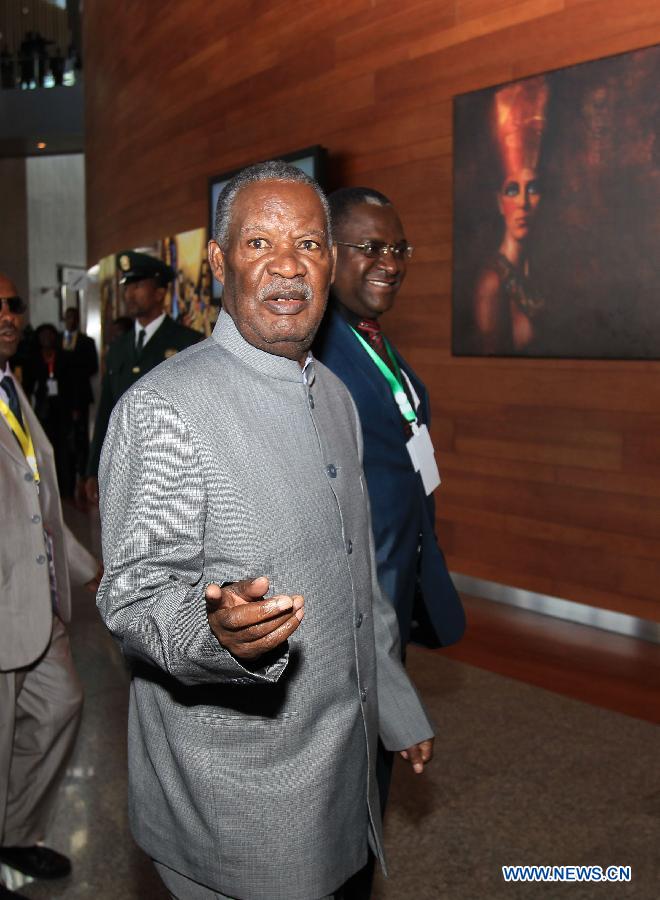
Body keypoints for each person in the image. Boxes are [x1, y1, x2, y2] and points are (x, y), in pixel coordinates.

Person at [96, 161, 435, 900]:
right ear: (218, 265)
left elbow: (359, 576)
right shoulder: (165, 409)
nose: (287, 264)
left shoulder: (338, 398)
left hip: (344, 776)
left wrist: (397, 709)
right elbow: (135, 595)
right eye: (258, 244)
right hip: (239, 804)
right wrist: (213, 631)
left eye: (309, 244)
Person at [315, 187, 465, 654]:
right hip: (353, 591)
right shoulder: (314, 354)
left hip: (398, 569)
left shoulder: (368, 336)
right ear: (328, 254)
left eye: (399, 249)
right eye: (372, 248)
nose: (392, 263)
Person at [0, 276, 101, 900]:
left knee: (61, 705)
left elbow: (38, 502)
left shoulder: (12, 388)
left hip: (36, 603)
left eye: (11, 304)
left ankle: (13, 833)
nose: (8, 316)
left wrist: (94, 571)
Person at [85, 251, 202, 504]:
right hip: (124, 471)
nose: (129, 294)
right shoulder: (118, 348)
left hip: (172, 472)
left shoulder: (187, 343)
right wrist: (93, 468)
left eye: (138, 286)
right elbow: (106, 409)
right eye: (127, 287)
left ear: (160, 293)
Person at [473, 76, 549, 354]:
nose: (523, 203)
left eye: (533, 188)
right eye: (513, 190)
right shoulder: (492, 284)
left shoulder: (541, 272)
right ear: (499, 201)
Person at [59, 307, 99, 502]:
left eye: (74, 317)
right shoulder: (58, 340)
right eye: (68, 317)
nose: (70, 320)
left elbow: (93, 366)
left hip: (80, 396)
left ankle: (83, 475)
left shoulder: (86, 342)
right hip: (60, 398)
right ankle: (66, 478)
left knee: (80, 438)